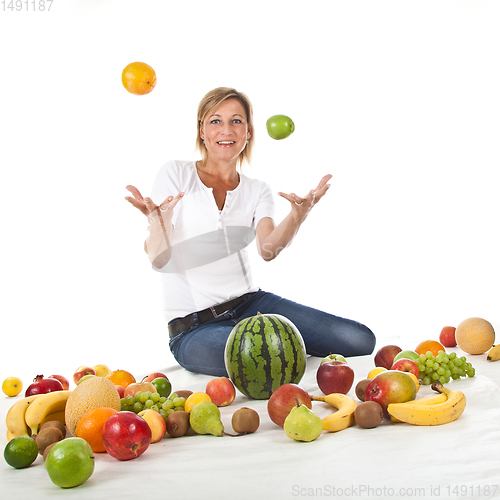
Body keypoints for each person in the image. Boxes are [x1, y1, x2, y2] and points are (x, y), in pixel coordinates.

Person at [125, 87, 375, 377]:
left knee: (359, 340)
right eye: (215, 121)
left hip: (252, 305)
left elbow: (267, 249)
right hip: (194, 327)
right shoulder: (175, 174)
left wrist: (298, 215)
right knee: (264, 361)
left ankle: (283, 342)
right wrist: (158, 221)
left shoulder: (257, 189)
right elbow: (158, 258)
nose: (226, 130)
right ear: (202, 131)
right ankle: (283, 345)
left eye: (236, 121)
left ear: (249, 132)